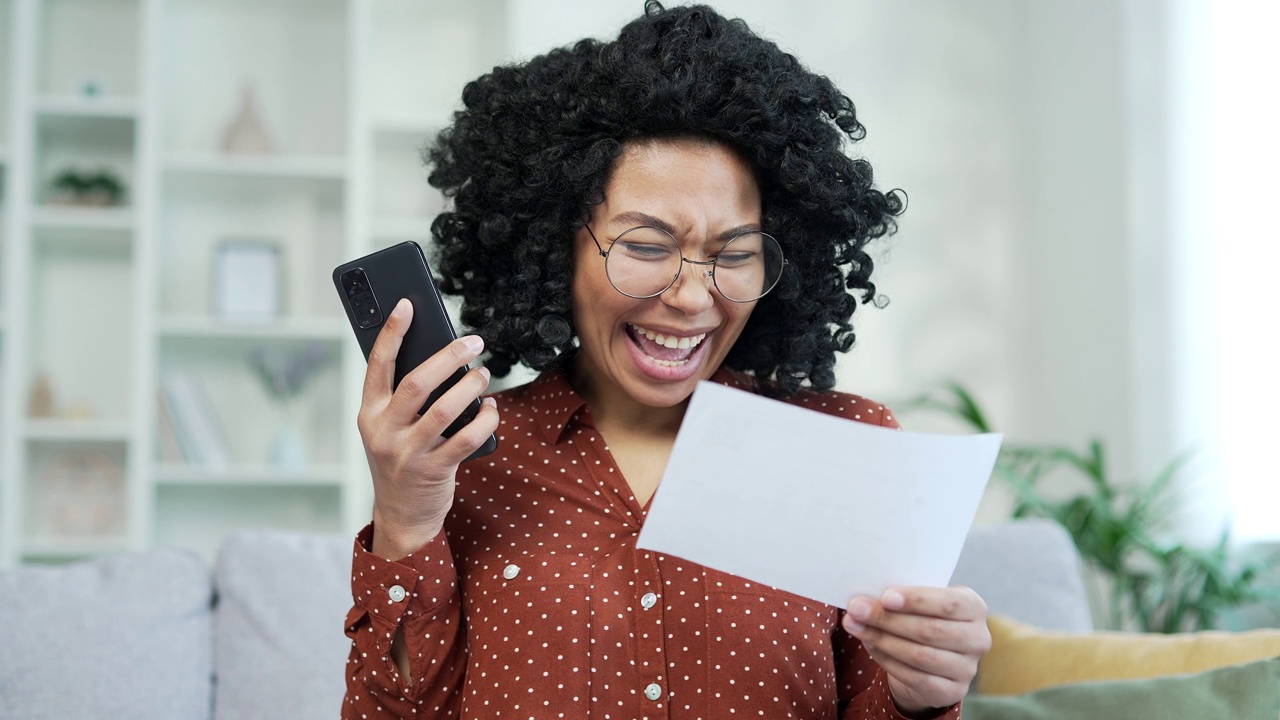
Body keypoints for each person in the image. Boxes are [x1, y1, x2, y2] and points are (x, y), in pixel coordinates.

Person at [343, 3, 990, 718]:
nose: (692, 298)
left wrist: (924, 694)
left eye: (735, 253)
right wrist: (404, 520)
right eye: (647, 246)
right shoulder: (460, 461)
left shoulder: (850, 452)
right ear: (557, 243)